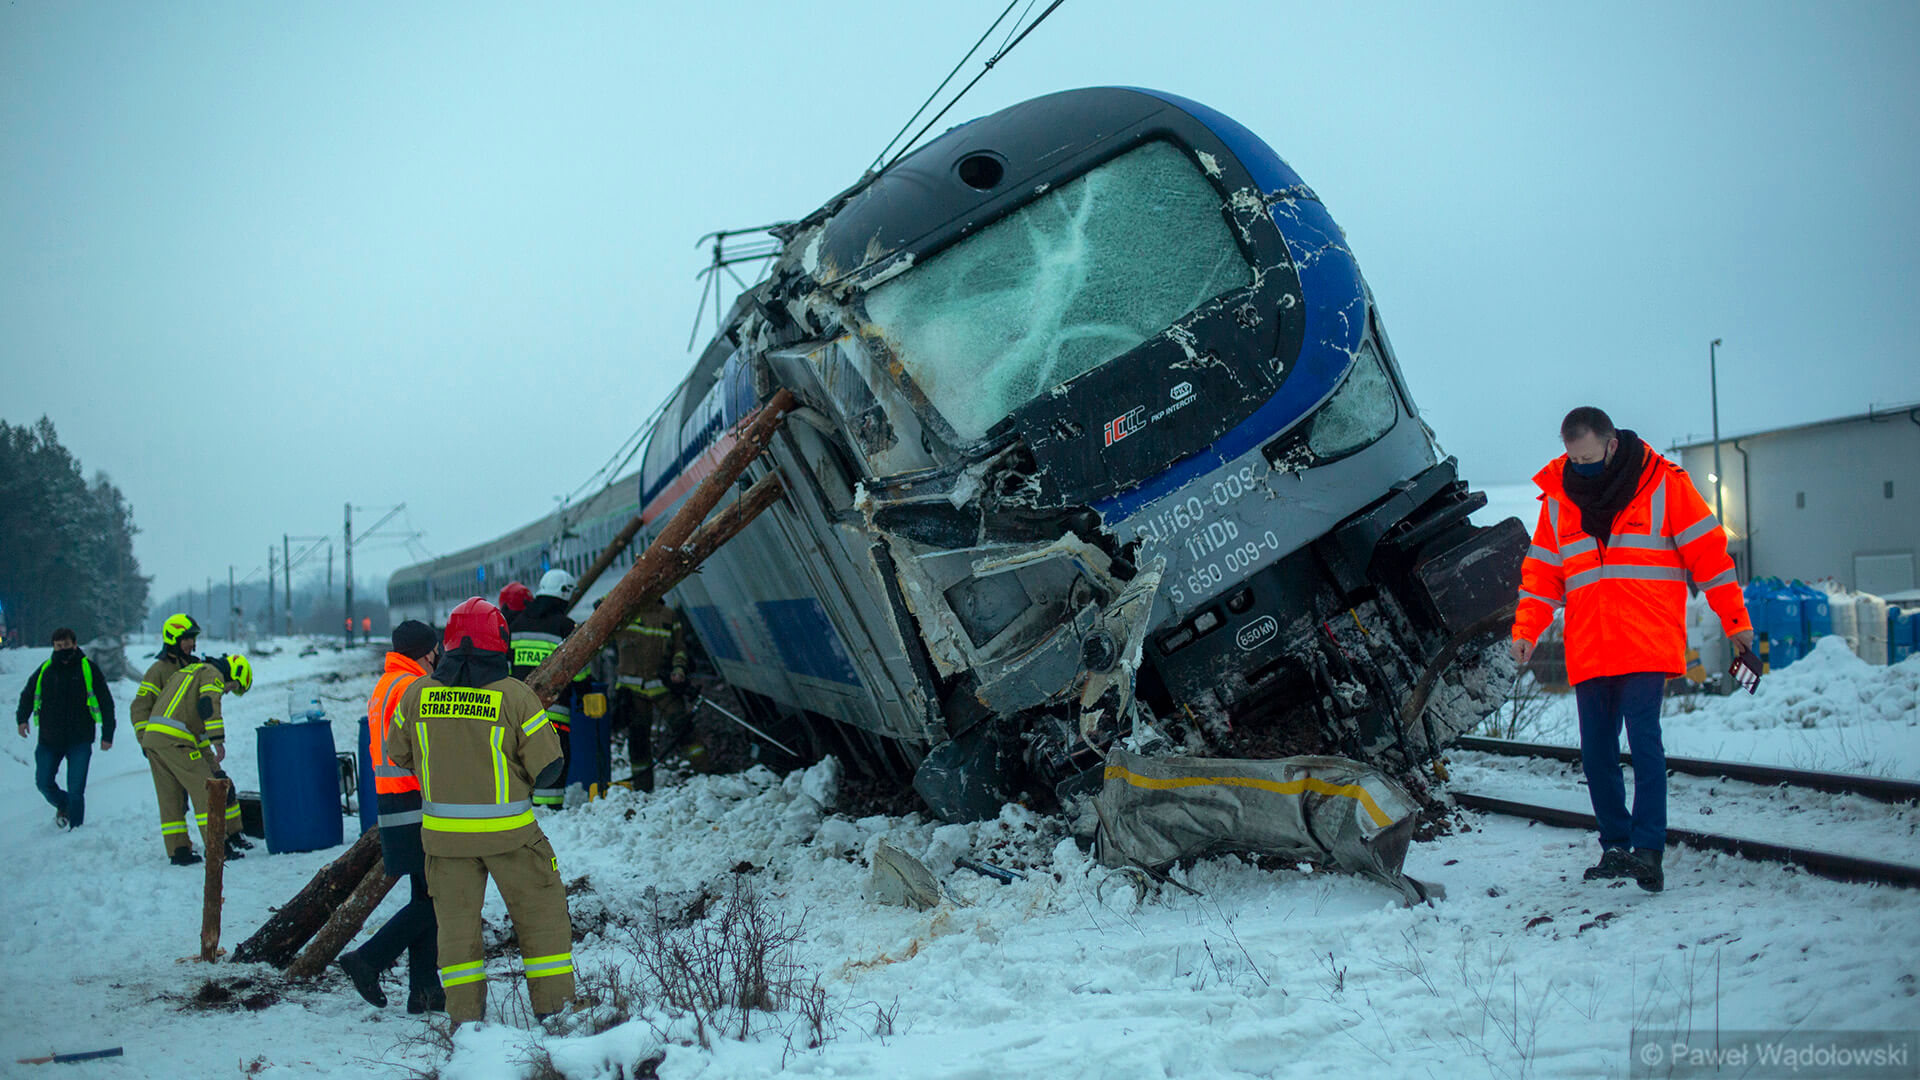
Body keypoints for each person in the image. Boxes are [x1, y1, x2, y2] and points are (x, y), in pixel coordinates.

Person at [1512, 407, 1752, 892]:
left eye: (1588, 458)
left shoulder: (1664, 483)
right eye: (1573, 459)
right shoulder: (1558, 498)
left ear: (1612, 444)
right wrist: (1526, 630)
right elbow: (1542, 576)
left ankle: (1648, 851)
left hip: (1646, 640)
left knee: (1644, 745)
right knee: (1596, 754)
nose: (1580, 467)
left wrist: (1736, 623)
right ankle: (1615, 847)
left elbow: (1710, 557)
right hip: (1590, 646)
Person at [386, 598, 573, 1025]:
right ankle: (555, 1009)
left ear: (448, 644)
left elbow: (398, 752)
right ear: (500, 642)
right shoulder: (514, 696)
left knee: (455, 932)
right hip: (512, 837)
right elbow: (549, 768)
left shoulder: (417, 694)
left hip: (444, 841)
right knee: (542, 916)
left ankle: (465, 1018)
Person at [339, 620, 443, 1014]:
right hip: (417, 801)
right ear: (426, 651)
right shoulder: (417, 687)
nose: (438, 655)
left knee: (425, 895)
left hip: (392, 801)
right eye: (435, 648)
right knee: (436, 898)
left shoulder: (387, 684)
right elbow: (430, 747)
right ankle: (368, 959)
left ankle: (424, 991)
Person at [139, 653, 254, 865]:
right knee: (207, 791)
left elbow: (198, 736)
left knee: (170, 798)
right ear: (234, 673)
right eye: (233, 686)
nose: (228, 691)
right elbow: (208, 704)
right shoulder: (213, 673)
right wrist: (218, 740)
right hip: (176, 739)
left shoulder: (190, 671)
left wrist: (215, 768)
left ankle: (179, 851)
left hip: (154, 738)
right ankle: (217, 848)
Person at [15, 628, 115, 829]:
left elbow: (106, 702)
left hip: (80, 740)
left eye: (66, 645)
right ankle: (63, 804)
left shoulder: (88, 669)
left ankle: (76, 830)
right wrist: (22, 719)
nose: (62, 649)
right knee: (43, 783)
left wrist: (108, 734)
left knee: (76, 790)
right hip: (49, 740)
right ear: (53, 647)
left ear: (75, 645)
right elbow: (28, 694)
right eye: (58, 646)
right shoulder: (45, 670)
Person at [510, 569, 586, 808]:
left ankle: (525, 805)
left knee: (523, 759)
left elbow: (507, 666)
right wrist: (584, 692)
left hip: (519, 713)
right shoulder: (565, 626)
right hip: (555, 713)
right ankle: (550, 809)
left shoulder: (517, 624)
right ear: (564, 593)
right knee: (553, 759)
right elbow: (579, 667)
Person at [608, 597, 690, 793]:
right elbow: (604, 604)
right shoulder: (623, 612)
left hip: (663, 687)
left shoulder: (668, 616)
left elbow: (680, 648)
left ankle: (705, 777)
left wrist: (679, 668)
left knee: (685, 729)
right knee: (638, 741)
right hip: (633, 692)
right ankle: (643, 789)